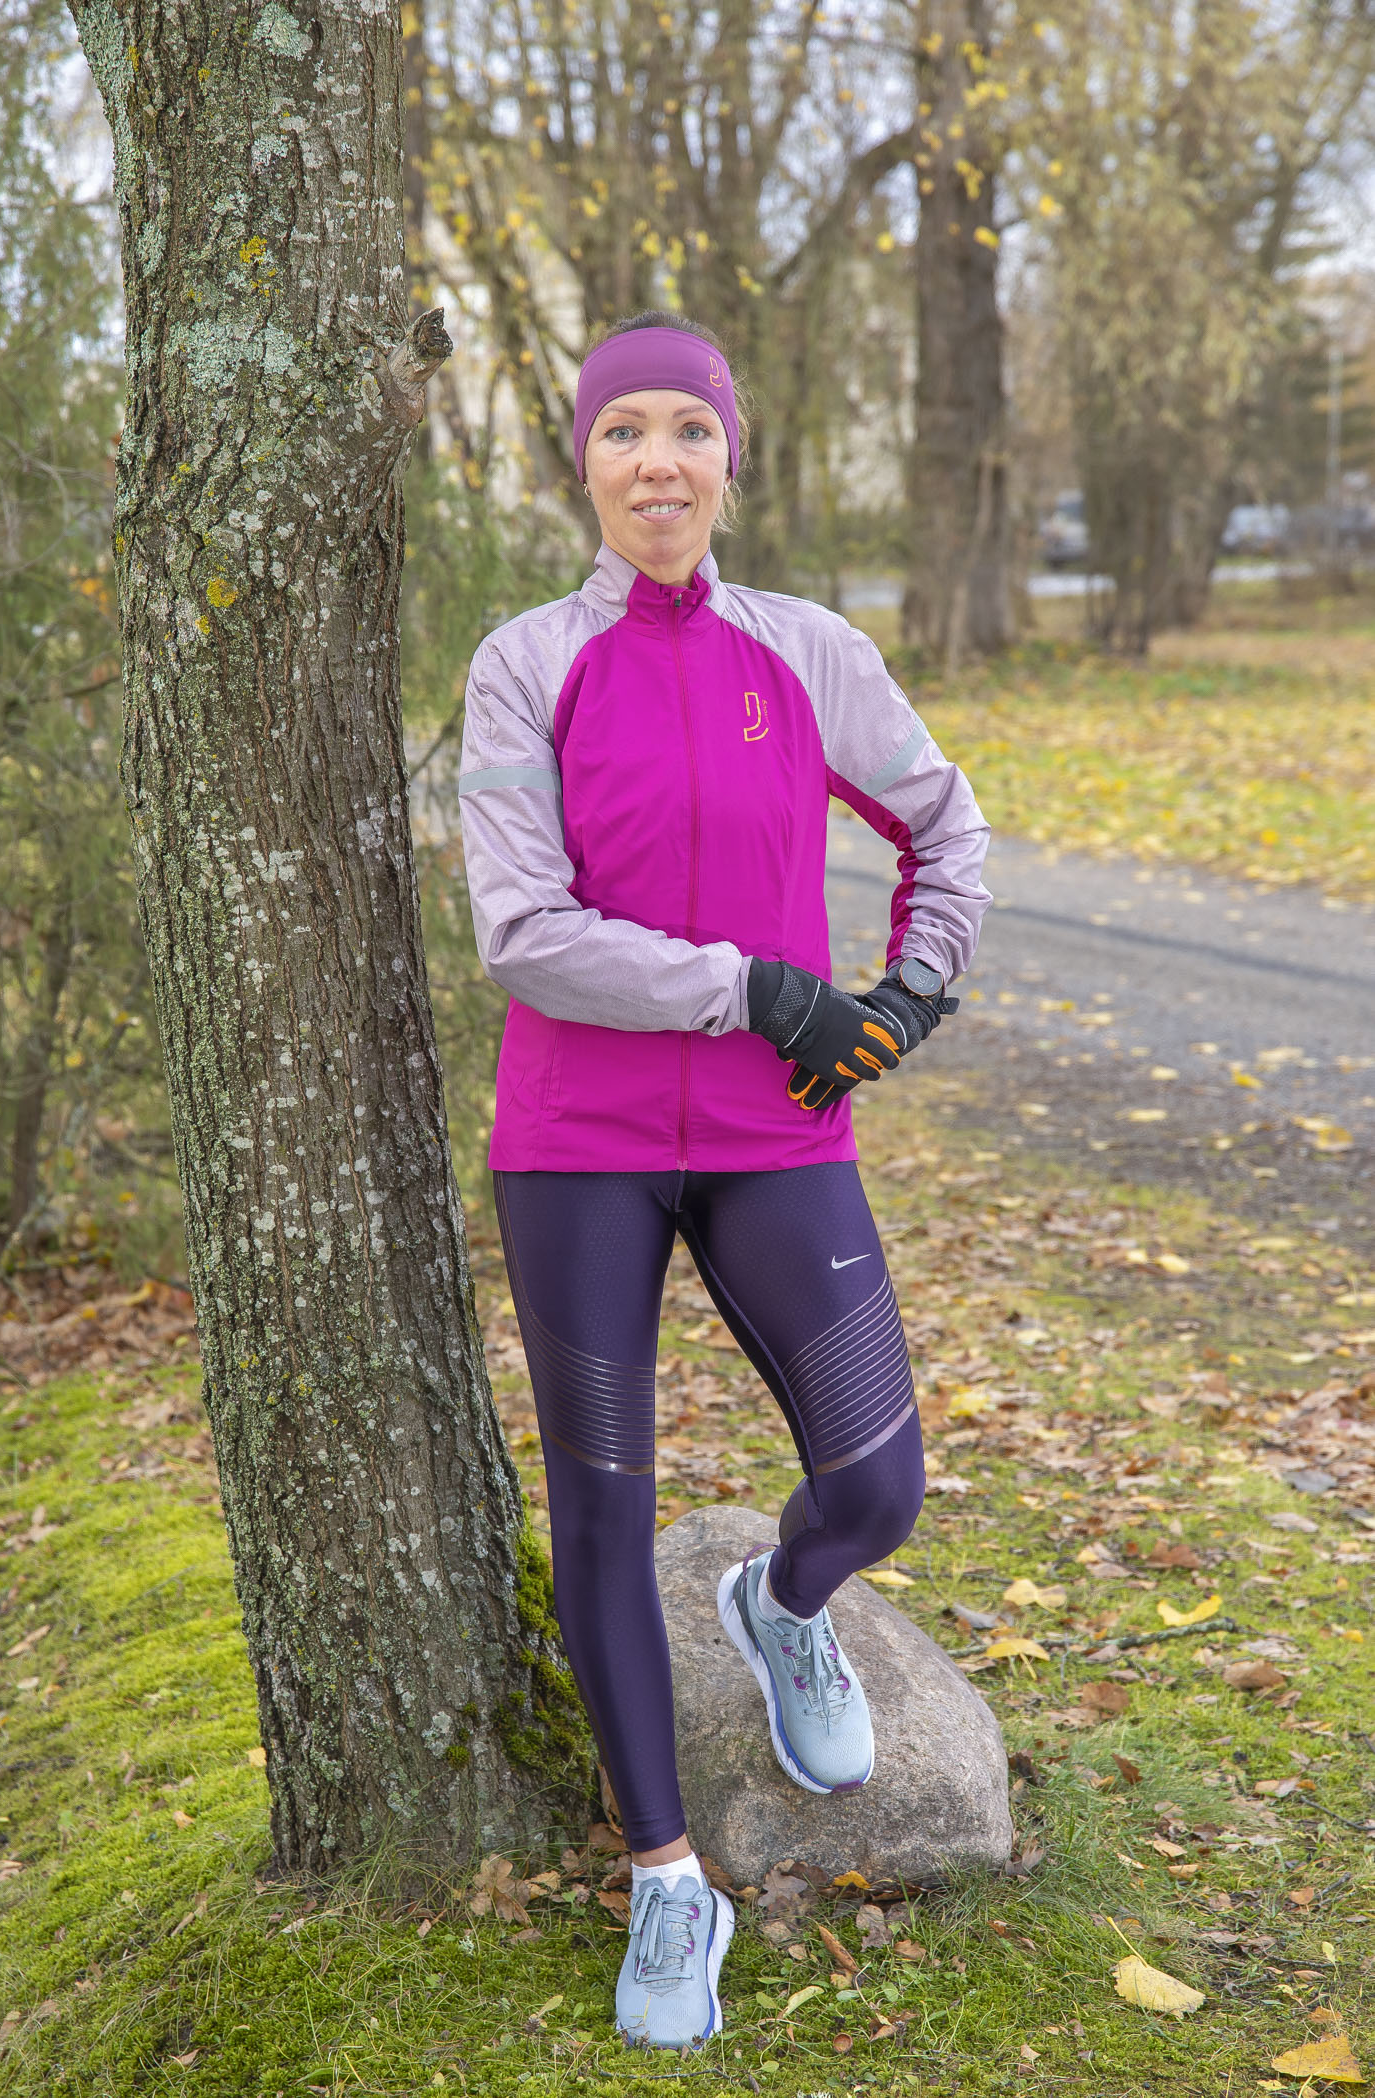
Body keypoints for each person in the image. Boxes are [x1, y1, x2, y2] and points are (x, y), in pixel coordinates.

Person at [458, 312, 990, 2049]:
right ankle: (668, 1876)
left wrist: (908, 992)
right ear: (586, 465)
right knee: (603, 1504)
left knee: (881, 1482)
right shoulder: (528, 663)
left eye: (690, 428)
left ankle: (783, 1601)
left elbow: (946, 822)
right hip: (578, 1144)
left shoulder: (809, 650)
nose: (659, 462)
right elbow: (524, 935)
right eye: (626, 433)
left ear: (731, 460)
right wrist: (752, 983)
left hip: (779, 1134)